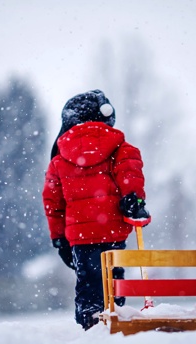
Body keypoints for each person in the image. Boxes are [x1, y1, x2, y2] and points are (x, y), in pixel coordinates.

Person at [42, 89, 150, 330]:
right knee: (113, 281)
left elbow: (53, 203)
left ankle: (90, 323)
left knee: (88, 282)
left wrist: (59, 238)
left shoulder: (59, 160)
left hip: (80, 238)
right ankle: (115, 320)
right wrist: (134, 200)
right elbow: (130, 174)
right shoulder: (121, 149)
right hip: (113, 231)